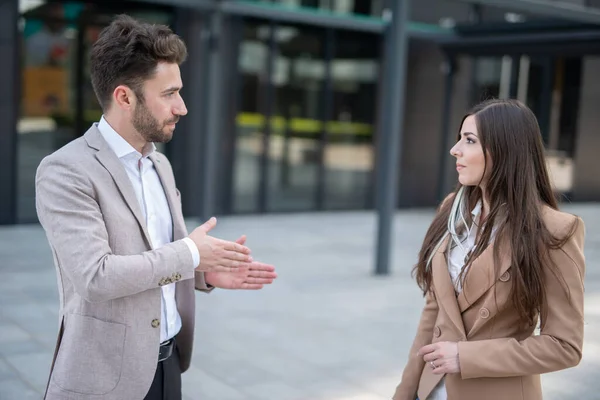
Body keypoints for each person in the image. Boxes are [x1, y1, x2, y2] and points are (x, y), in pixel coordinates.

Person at [35, 15, 277, 400]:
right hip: (104, 379)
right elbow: (95, 277)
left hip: (168, 368)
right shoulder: (65, 171)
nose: (182, 107)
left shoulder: (159, 164)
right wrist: (190, 252)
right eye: (169, 94)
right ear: (124, 97)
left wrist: (203, 274)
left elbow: (160, 259)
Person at [392, 99, 586, 400]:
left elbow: (564, 346)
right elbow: (433, 315)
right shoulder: (452, 209)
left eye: (469, 141)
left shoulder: (554, 231)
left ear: (505, 151)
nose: (455, 150)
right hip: (430, 391)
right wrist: (404, 393)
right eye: (459, 139)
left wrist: (466, 357)